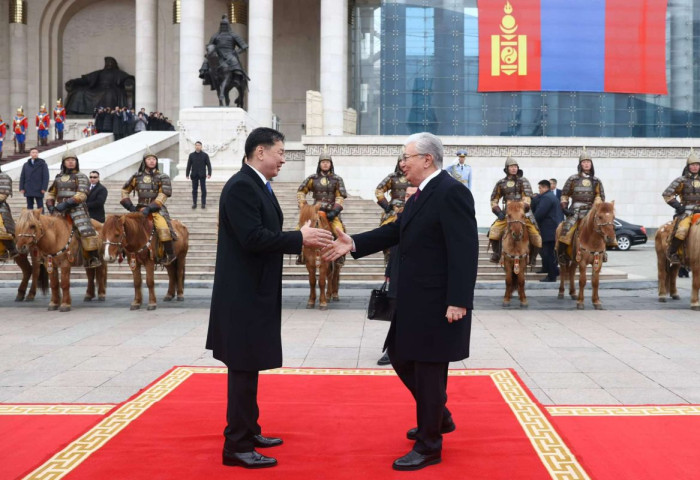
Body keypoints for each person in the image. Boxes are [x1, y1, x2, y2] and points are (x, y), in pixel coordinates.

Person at [322, 132, 478, 472]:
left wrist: (458, 300)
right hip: (413, 299)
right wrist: (353, 244)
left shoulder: (452, 192)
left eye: (406, 157)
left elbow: (465, 250)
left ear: (428, 159)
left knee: (429, 371)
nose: (402, 163)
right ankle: (440, 417)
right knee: (399, 356)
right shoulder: (421, 194)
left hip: (438, 303)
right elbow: (396, 232)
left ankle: (428, 446)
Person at [206, 127, 333, 469]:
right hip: (242, 295)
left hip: (254, 290)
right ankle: (237, 445)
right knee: (243, 369)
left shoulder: (257, 185)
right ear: (259, 152)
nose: (283, 159)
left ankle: (250, 429)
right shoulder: (241, 187)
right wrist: (299, 238)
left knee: (249, 366)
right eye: (280, 152)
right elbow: (253, 238)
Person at [377, 185, 417, 367]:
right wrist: (388, 272)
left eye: (411, 195)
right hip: (397, 271)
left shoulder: (424, 214)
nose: (407, 198)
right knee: (396, 311)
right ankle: (391, 349)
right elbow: (394, 247)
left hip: (417, 275)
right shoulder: (398, 216)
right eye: (406, 195)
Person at [45, 150, 102, 268]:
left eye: (73, 160)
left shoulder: (81, 176)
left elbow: (82, 194)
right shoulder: (59, 177)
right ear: (63, 163)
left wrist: (66, 204)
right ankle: (44, 255)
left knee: (86, 230)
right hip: (59, 210)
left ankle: (92, 256)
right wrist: (50, 205)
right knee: (45, 230)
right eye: (68, 160)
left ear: (76, 162)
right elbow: (51, 193)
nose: (71, 162)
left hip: (77, 210)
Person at [120, 150, 177, 265]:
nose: (152, 161)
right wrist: (130, 206)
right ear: (144, 161)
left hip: (157, 209)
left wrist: (151, 207)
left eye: (154, 159)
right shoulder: (137, 176)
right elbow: (125, 190)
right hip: (139, 209)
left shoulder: (162, 177)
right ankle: (122, 252)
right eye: (149, 159)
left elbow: (164, 194)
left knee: (163, 229)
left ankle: (170, 254)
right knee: (123, 227)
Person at [487, 157, 542, 264]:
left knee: (536, 236)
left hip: (523, 213)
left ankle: (532, 257)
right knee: (493, 231)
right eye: (512, 167)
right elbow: (494, 199)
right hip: (507, 214)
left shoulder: (523, 181)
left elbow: (527, 198)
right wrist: (498, 212)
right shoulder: (501, 183)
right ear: (507, 168)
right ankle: (496, 254)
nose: (514, 169)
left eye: (515, 167)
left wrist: (520, 208)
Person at [557, 149, 606, 262]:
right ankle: (562, 254)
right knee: (566, 230)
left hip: (591, 211)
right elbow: (565, 194)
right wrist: (564, 208)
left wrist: (596, 205)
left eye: (588, 162)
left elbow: (600, 195)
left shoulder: (596, 180)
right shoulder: (573, 179)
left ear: (591, 164)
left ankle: (603, 252)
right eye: (584, 162)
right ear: (580, 164)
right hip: (576, 210)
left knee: (604, 229)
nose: (586, 164)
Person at [662, 151, 700, 264]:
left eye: (697, 164)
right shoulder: (681, 180)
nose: (695, 167)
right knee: (682, 231)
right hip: (687, 212)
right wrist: (678, 206)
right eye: (692, 165)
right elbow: (667, 194)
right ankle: (672, 252)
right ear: (688, 167)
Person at [297, 152, 348, 235]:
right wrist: (304, 206)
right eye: (323, 162)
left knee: (339, 233)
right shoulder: (312, 178)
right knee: (298, 230)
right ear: (319, 164)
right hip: (315, 211)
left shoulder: (337, 179)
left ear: (331, 164)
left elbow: (340, 197)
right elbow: (301, 191)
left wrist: (334, 211)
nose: (325, 164)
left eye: (327, 162)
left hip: (331, 211)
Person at [64, 56, 135, 115]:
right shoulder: (99, 73)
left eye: (110, 62)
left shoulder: (118, 73)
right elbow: (85, 80)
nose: (109, 64)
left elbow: (128, 79)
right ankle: (74, 112)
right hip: (97, 89)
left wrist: (128, 82)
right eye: (107, 62)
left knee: (110, 93)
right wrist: (74, 81)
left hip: (111, 88)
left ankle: (107, 113)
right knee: (80, 92)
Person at [533, 180, 562, 282]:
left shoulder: (546, 198)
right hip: (552, 228)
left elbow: (540, 213)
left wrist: (533, 219)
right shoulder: (550, 196)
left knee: (548, 253)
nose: (539, 190)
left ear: (545, 188)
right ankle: (554, 270)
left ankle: (552, 275)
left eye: (540, 188)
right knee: (548, 252)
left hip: (548, 229)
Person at [0, 165, 19, 260]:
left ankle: (10, 248)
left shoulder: (4, 177)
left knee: (2, 228)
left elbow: (3, 195)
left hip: (0, 207)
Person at [186, 141, 212, 209]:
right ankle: (194, 203)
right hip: (194, 175)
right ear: (195, 146)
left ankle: (203, 203)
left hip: (202, 175)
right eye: (196, 145)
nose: (197, 146)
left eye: (199, 145)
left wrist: (209, 173)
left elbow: (209, 165)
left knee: (203, 189)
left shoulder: (205, 155)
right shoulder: (191, 155)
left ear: (201, 146)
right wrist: (187, 174)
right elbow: (189, 165)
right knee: (194, 190)